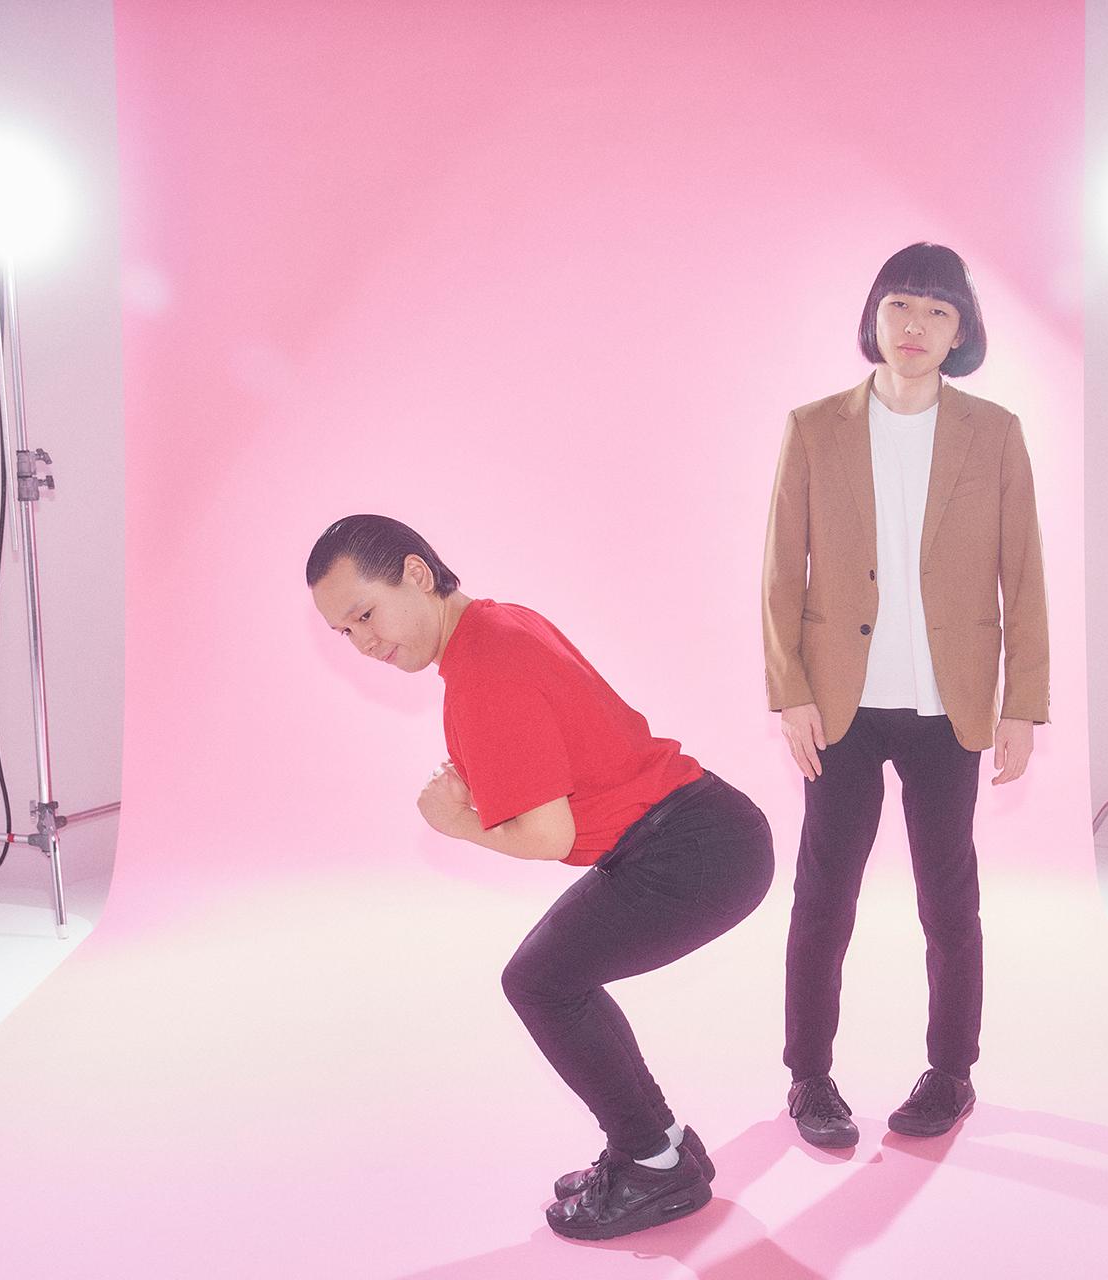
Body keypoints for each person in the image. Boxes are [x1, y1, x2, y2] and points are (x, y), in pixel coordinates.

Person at [307, 515, 774, 1240]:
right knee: (555, 976)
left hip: (692, 850)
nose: (363, 643)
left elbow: (547, 836)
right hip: (695, 832)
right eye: (345, 632)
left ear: (417, 575)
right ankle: (658, 1145)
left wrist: (457, 823)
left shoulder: (483, 668)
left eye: (365, 614)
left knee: (541, 983)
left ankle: (654, 1163)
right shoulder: (495, 626)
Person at [761, 242, 1050, 1147]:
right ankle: (810, 1077)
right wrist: (790, 691)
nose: (914, 325)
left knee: (948, 900)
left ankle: (951, 1072)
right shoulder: (815, 427)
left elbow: (1024, 574)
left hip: (948, 705)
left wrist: (1021, 703)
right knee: (822, 898)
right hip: (839, 706)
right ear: (874, 316)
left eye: (937, 310)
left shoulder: (994, 433)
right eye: (899, 305)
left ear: (961, 331)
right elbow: (780, 572)